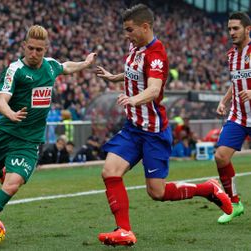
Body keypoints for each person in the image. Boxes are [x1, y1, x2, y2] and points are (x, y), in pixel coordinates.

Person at [95, 4, 232, 246]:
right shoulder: (135, 47)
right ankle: (124, 230)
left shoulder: (156, 53)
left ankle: (208, 188)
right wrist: (114, 77)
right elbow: (135, 73)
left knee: (156, 192)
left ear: (145, 27)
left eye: (130, 30)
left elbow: (154, 88)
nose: (126, 35)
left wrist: (133, 99)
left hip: (153, 132)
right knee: (109, 172)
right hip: (132, 128)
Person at [0, 25, 96, 242]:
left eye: (39, 49)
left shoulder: (50, 66)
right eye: (31, 48)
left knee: (12, 185)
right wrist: (10, 113)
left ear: (46, 49)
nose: (35, 54)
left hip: (28, 141)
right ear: (24, 46)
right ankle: (1, 169)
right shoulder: (15, 70)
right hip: (5, 132)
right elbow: (1, 100)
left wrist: (84, 64)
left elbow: (66, 66)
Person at [214, 12, 251, 224]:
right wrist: (224, 100)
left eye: (235, 28)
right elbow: (236, 82)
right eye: (229, 29)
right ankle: (235, 204)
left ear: (248, 29)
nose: (231, 33)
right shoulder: (231, 55)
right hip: (238, 116)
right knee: (221, 157)